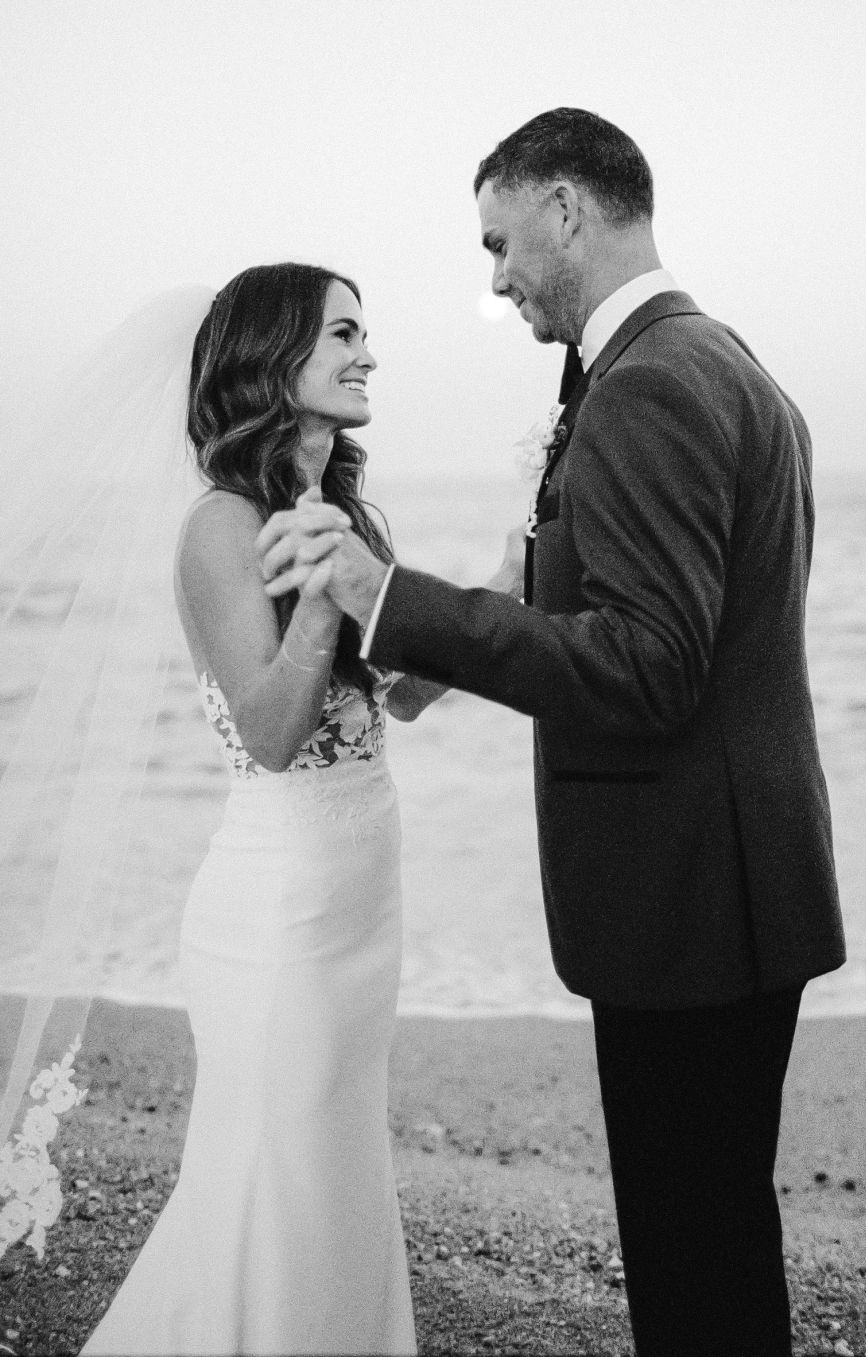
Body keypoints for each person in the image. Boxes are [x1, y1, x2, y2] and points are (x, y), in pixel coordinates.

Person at [260, 111, 847, 1356]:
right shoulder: (723, 362)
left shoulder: (649, 388)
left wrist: (388, 600)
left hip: (690, 908)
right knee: (722, 1240)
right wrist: (435, 653)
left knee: (695, 1270)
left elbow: (650, 667)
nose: (497, 279)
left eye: (501, 242)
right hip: (735, 888)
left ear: (567, 208)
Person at [78, 263, 521, 1355]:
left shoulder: (352, 513)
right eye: (342, 334)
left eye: (363, 335)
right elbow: (274, 734)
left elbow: (404, 697)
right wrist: (327, 588)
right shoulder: (219, 529)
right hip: (276, 914)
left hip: (364, 896)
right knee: (271, 1174)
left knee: (336, 1165)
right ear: (274, 360)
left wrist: (508, 578)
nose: (368, 354)